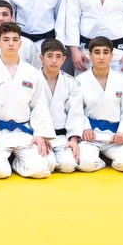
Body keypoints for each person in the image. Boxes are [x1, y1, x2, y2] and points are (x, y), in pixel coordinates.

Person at [0, 22, 54, 179]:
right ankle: (7, 162)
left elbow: (39, 106)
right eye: (6, 40)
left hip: (24, 131)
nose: (11, 44)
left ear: (20, 43)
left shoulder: (32, 73)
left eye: (15, 40)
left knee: (41, 170)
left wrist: (40, 134)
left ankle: (15, 163)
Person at [76, 36, 123, 173]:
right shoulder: (80, 81)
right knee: (85, 164)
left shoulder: (122, 80)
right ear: (90, 56)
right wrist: (85, 129)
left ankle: (110, 161)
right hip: (90, 136)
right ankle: (102, 162)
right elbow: (76, 110)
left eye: (106, 52)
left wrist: (122, 131)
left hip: (115, 136)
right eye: (97, 52)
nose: (101, 57)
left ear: (111, 55)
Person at [35, 39, 87, 173]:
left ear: (64, 59)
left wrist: (73, 139)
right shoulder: (32, 80)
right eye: (49, 56)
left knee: (68, 166)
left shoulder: (71, 83)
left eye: (58, 56)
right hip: (39, 135)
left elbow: (76, 113)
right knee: (47, 165)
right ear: (41, 58)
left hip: (61, 136)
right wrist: (38, 135)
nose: (54, 61)